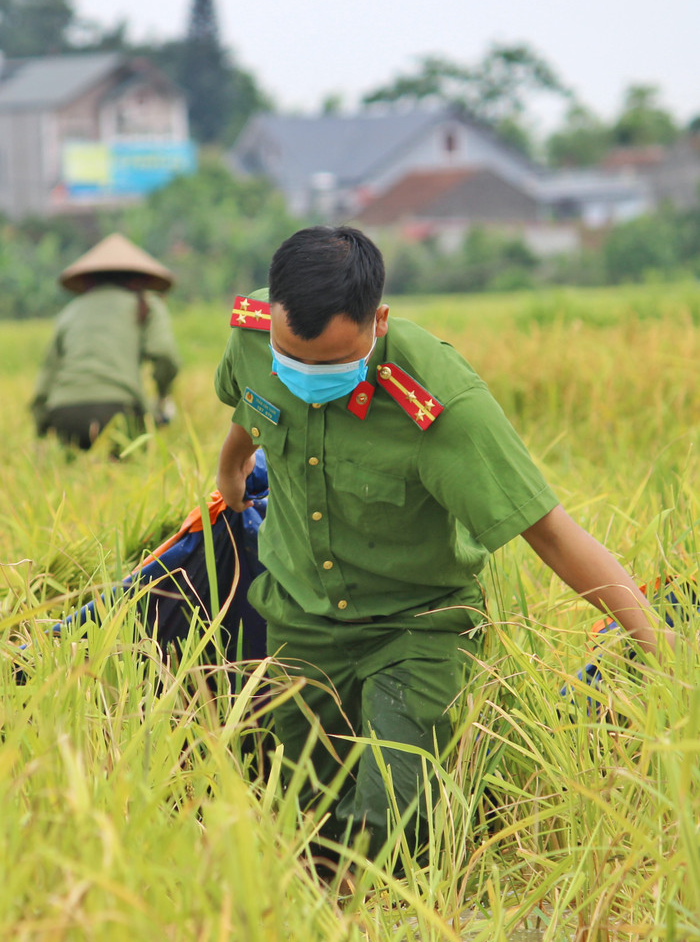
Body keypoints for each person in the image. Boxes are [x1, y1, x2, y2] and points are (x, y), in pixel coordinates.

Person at [214, 226, 671, 859]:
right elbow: (253, 402)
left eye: (332, 367)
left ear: (379, 321)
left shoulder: (440, 403)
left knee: (389, 835)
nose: (306, 379)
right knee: (301, 822)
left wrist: (661, 649)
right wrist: (232, 465)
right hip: (299, 617)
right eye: (294, 360)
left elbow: (550, 532)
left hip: (413, 628)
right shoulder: (254, 333)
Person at [31, 233, 180, 450]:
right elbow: (165, 355)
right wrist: (162, 396)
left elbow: (45, 381)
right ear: (140, 278)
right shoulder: (147, 305)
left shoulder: (71, 311)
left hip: (64, 415)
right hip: (119, 412)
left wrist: (41, 429)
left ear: (88, 279)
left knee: (73, 478)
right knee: (131, 470)